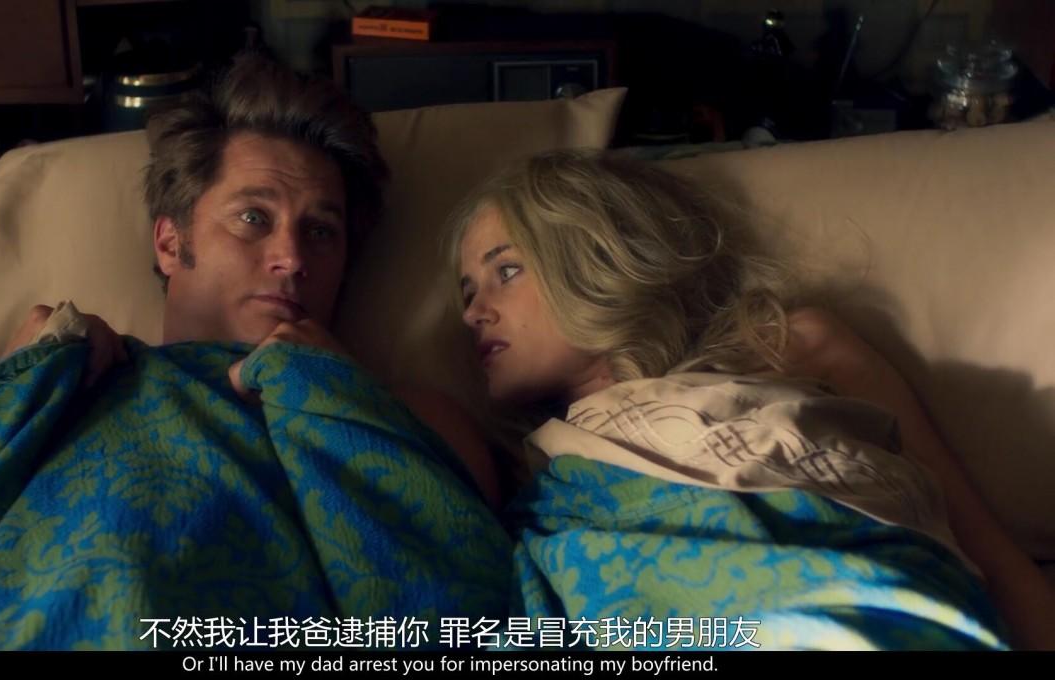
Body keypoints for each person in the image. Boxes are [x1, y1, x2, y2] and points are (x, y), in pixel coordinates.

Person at [450, 148, 1055, 649]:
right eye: (468, 290)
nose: (474, 312)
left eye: (506, 271)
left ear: (594, 256)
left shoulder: (793, 347)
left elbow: (987, 549)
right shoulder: (539, 473)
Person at [2, 53, 500, 508]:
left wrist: (346, 402)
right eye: (253, 218)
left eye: (321, 231)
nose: (292, 257)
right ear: (171, 243)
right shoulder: (82, 389)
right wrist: (16, 390)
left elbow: (468, 560)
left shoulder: (418, 423)